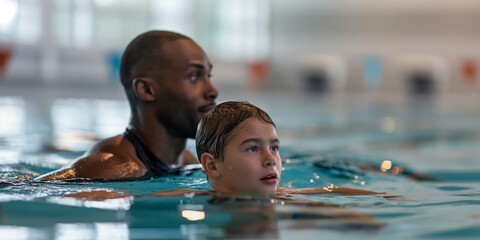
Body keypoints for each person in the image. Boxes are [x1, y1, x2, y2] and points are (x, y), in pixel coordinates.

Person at [69, 101, 395, 198]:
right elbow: (122, 196)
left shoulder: (278, 195)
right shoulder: (199, 198)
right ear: (211, 166)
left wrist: (384, 199)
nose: (272, 159)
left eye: (275, 148)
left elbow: (326, 191)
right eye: (253, 149)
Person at [36, 30, 218, 181]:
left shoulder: (187, 161)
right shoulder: (112, 167)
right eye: (194, 77)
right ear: (146, 90)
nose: (212, 91)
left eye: (208, 76)